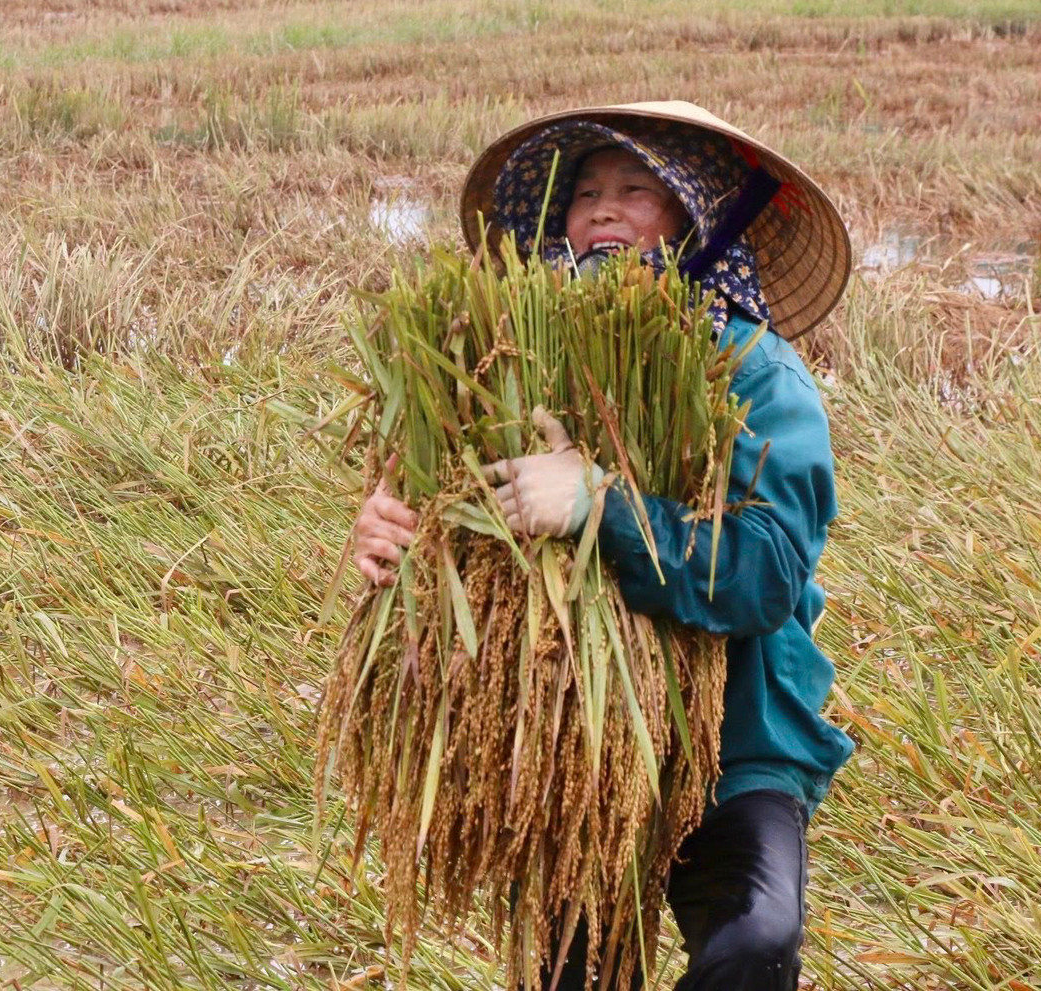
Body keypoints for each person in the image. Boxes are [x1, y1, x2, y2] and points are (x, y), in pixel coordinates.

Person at [352, 102, 855, 991]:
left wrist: (602, 506)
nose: (604, 211)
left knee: (756, 940)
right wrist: (394, 531)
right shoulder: (506, 361)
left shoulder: (757, 372)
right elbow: (440, 505)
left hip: (738, 745)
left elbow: (769, 573)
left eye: (637, 190)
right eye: (584, 193)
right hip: (566, 739)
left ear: (697, 213)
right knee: (572, 974)